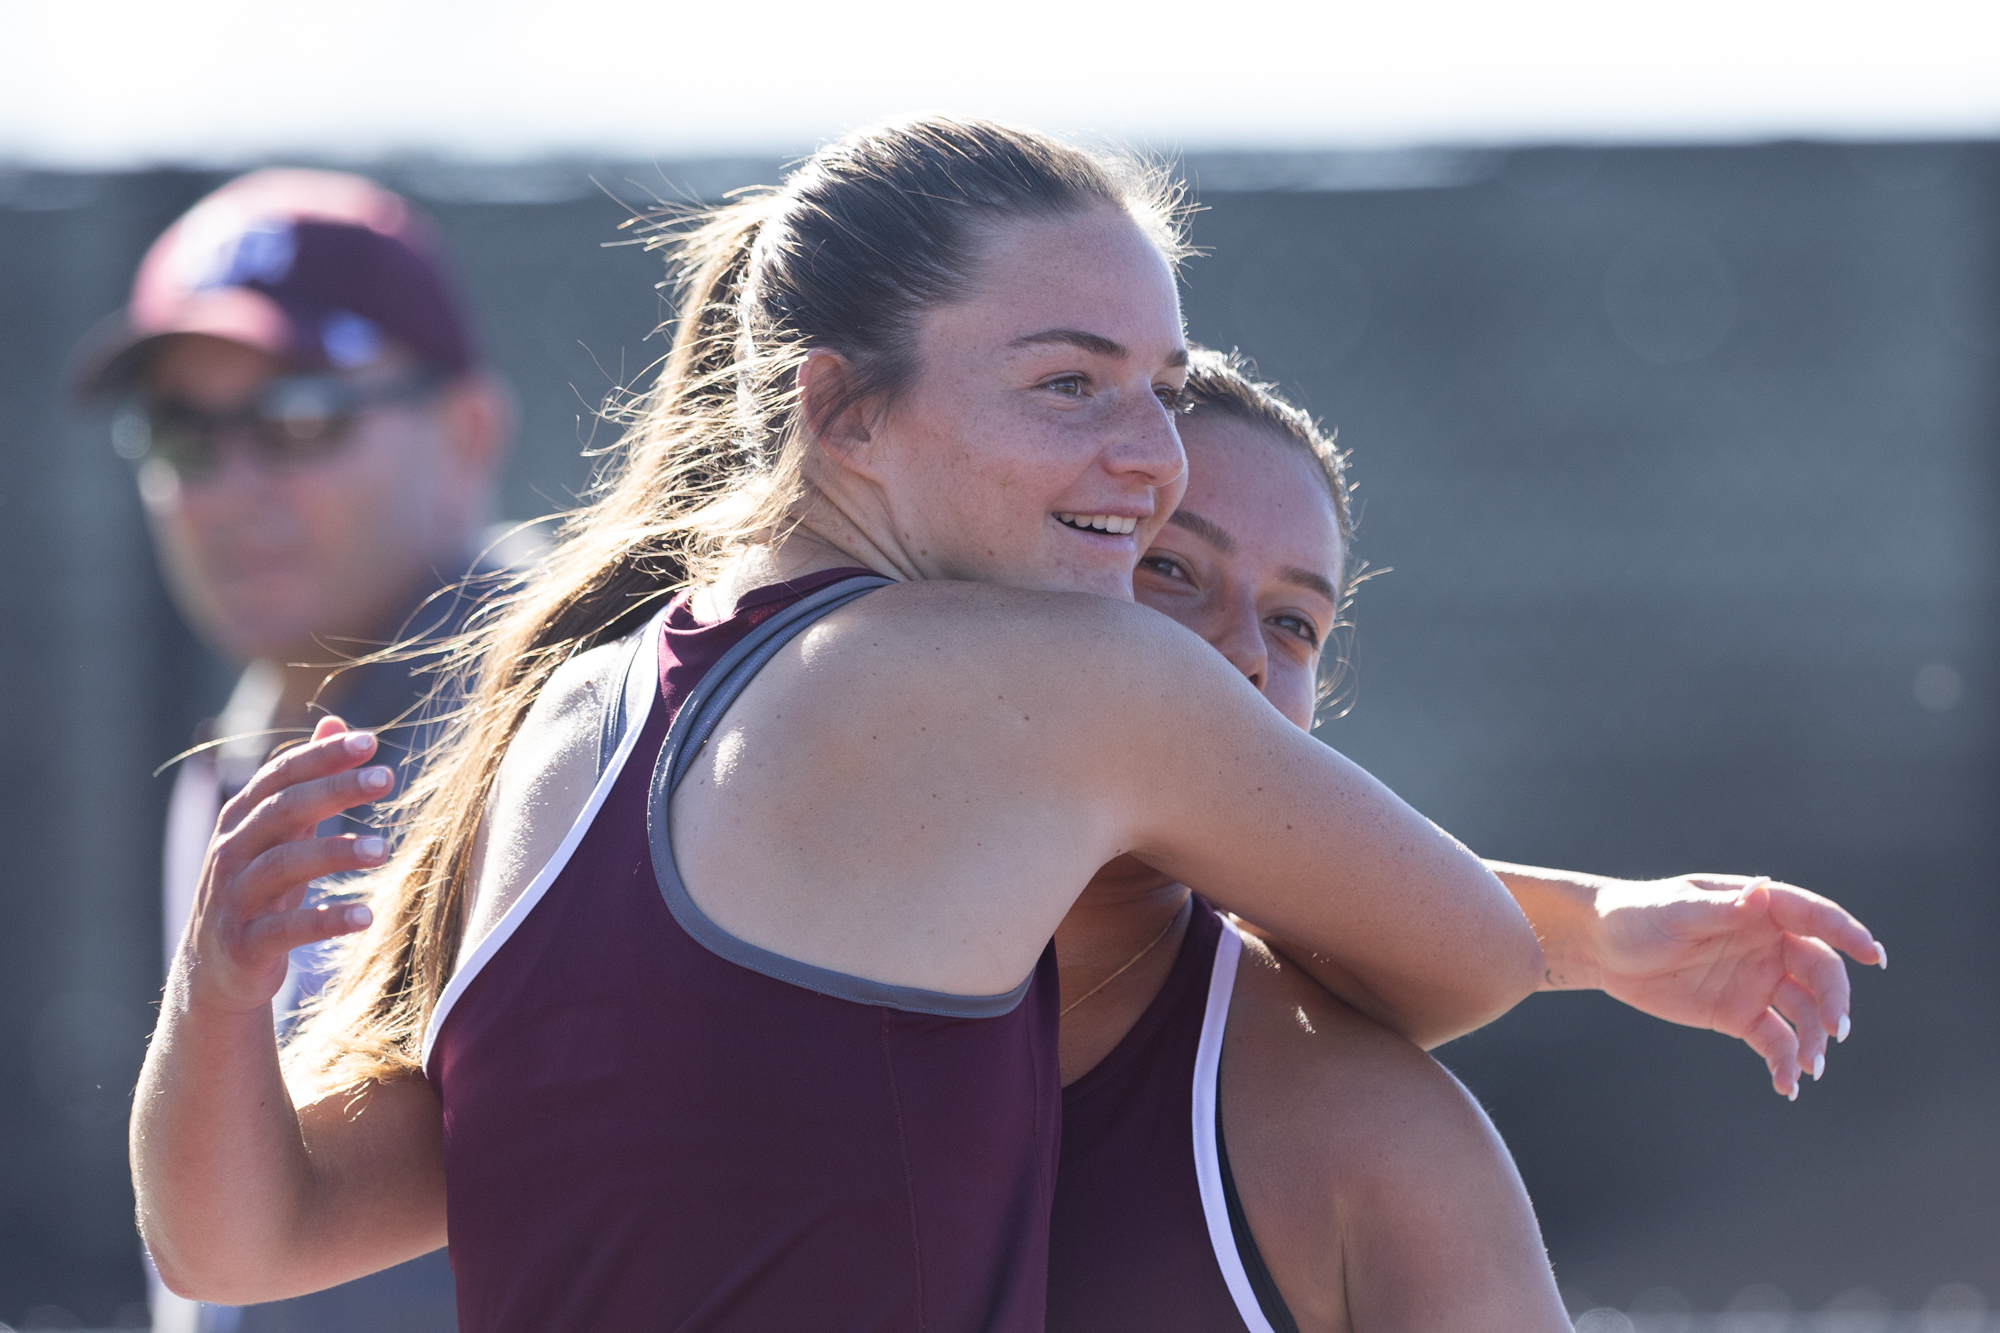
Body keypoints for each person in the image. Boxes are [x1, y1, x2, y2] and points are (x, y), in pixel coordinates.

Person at [131, 118, 1551, 1332]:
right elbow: (1462, 960)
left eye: (1164, 394)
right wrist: (1569, 934)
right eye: (1071, 383)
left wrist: (215, 994)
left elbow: (245, 1239)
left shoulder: (561, 709)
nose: (1154, 461)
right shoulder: (1075, 679)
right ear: (843, 412)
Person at [1046, 350, 1885, 1331]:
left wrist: (1586, 928)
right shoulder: (839, 944)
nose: (1241, 654)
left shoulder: (1372, 1138)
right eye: (1171, 569)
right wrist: (1585, 927)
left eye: (1292, 622)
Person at [74, 168, 512, 1333]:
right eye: (182, 433)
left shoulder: (564, 715)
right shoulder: (256, 727)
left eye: (300, 416)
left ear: (465, 430)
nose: (230, 488)